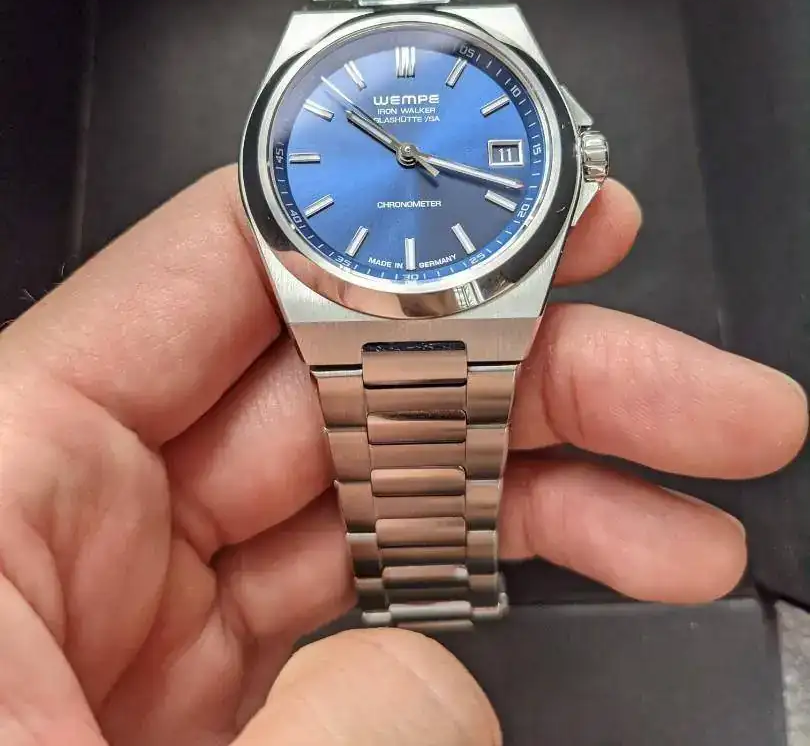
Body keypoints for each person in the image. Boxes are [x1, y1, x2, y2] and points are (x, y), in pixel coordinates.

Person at [0, 168, 805, 746]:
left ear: (571, 166)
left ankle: (431, 574)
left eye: (419, 155)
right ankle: (421, 574)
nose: (412, 160)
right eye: (396, 156)